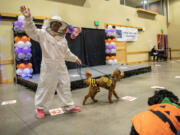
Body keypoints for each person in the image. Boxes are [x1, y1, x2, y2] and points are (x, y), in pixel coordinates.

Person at [20, 6, 82, 118]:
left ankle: (68, 106)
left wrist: (75, 58)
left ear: (60, 26)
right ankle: (40, 108)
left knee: (65, 86)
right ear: (51, 24)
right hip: (48, 66)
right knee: (45, 87)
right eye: (54, 23)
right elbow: (31, 30)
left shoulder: (63, 39)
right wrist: (28, 18)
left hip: (61, 66)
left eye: (58, 24)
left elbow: (66, 53)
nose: (56, 25)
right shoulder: (43, 34)